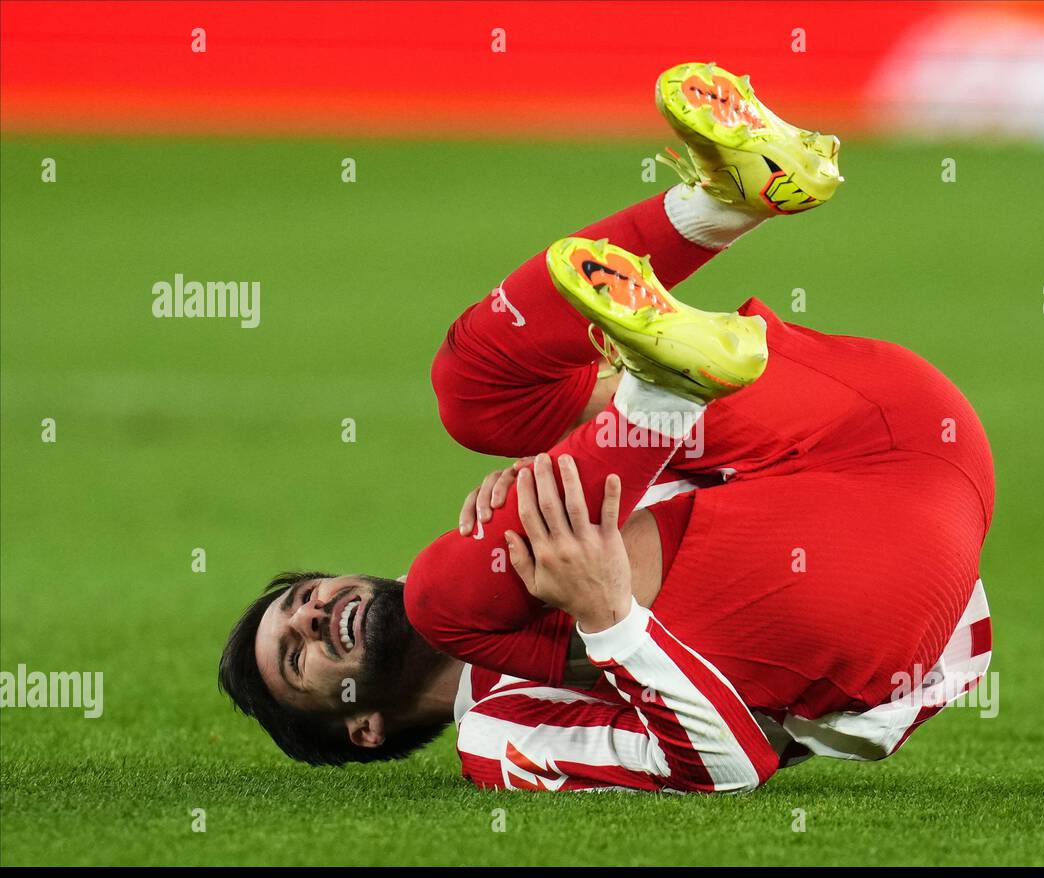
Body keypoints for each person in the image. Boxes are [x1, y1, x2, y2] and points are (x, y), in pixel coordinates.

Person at [219, 63, 995, 792]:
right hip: (882, 594)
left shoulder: (498, 548)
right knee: (450, 593)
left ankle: (723, 201)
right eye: (297, 654)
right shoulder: (498, 735)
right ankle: (665, 384)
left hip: (883, 423)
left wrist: (558, 467)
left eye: (306, 599)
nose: (316, 616)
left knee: (474, 393)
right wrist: (607, 614)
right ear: (362, 728)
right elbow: (730, 765)